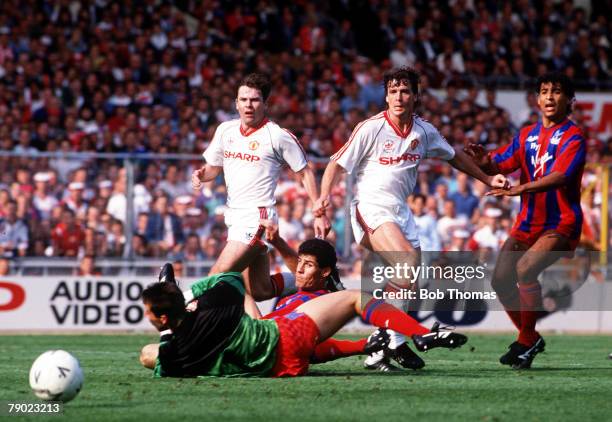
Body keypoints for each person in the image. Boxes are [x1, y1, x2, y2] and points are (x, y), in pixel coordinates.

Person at [313, 67, 507, 370]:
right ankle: (398, 341)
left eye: (404, 91)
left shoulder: (424, 131)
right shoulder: (371, 128)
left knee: (409, 278)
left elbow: (454, 155)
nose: (398, 97)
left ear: (415, 95)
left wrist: (486, 178)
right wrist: (324, 197)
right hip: (371, 206)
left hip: (401, 212)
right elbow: (335, 164)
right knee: (406, 261)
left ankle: (383, 346)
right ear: (386, 96)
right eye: (392, 91)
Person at [139, 266, 467, 378]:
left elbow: (150, 355)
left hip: (280, 367)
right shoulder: (213, 303)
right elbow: (232, 278)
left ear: (164, 320)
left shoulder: (175, 356)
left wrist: (170, 330)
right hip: (285, 338)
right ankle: (422, 333)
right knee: (356, 297)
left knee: (147, 354)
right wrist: (193, 294)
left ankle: (367, 346)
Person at [464, 72, 586, 369]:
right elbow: (502, 161)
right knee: (500, 279)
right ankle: (529, 338)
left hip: (561, 222)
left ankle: (526, 341)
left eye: (556, 91)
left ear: (569, 100)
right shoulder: (526, 134)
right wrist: (485, 162)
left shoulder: (575, 137)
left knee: (526, 269)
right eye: (543, 91)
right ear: (536, 98)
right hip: (527, 222)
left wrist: (521, 188)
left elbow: (561, 176)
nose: (548, 97)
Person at [191, 73, 329, 301]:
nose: (248, 105)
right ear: (236, 103)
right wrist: (201, 175)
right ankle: (317, 282)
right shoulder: (225, 130)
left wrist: (318, 211)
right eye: (243, 99)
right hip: (234, 217)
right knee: (259, 291)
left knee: (217, 276)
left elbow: (304, 171)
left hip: (258, 217)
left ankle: (182, 311)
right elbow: (213, 168)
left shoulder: (277, 136)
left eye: (254, 100)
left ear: (265, 104)